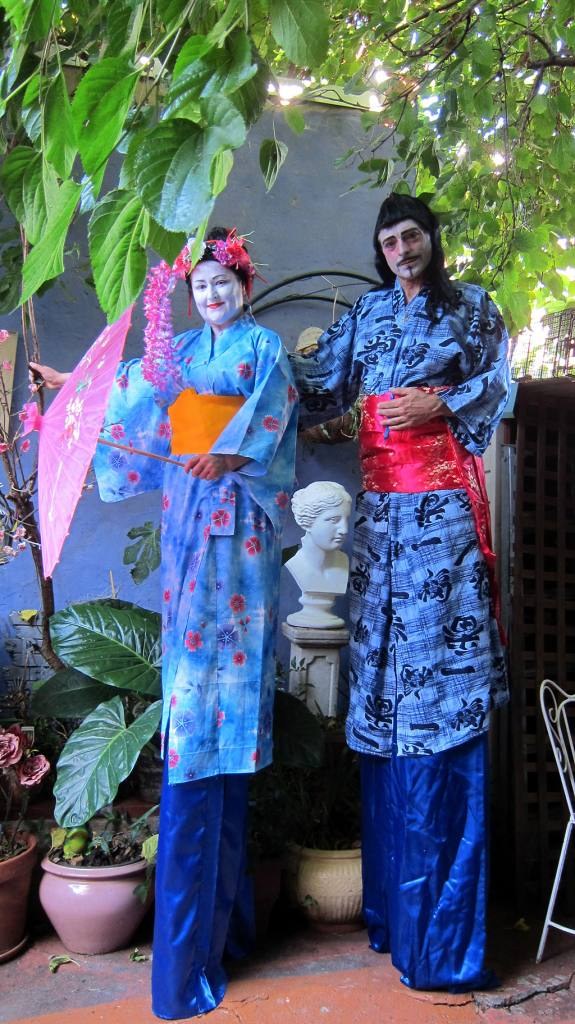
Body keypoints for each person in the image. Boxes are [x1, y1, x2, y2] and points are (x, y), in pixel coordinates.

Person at [31, 227, 298, 1019]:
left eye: (224, 282)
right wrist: (70, 392)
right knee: (191, 714)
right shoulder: (174, 354)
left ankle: (223, 933)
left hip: (240, 535)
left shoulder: (265, 353)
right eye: (202, 285)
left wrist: (232, 452)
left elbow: (272, 420)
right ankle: (214, 935)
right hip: (188, 528)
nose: (212, 294)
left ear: (245, 286)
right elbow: (124, 404)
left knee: (226, 709)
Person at [291, 193, 510, 993]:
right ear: (379, 250)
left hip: (444, 514)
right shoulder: (368, 315)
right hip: (380, 522)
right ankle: (395, 912)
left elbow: (501, 384)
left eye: (410, 235)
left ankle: (446, 942)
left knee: (439, 694)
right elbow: (317, 386)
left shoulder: (473, 308)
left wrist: (442, 401)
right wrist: (238, 355)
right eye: (388, 240)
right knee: (382, 687)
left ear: (431, 238)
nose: (400, 249)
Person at [285, 481, 351, 628]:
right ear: (307, 521)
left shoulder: (343, 561)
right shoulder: (291, 558)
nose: (344, 530)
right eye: (334, 520)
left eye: (346, 519)